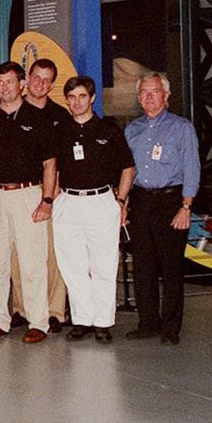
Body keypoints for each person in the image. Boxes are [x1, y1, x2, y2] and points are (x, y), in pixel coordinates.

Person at [51, 76, 136, 343]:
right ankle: (82, 320)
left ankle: (102, 322)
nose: (77, 102)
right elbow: (53, 167)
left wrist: (120, 201)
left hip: (101, 202)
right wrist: (53, 199)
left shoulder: (108, 130)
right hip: (69, 202)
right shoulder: (61, 131)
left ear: (92, 98)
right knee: (72, 266)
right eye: (72, 97)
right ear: (67, 100)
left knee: (103, 265)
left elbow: (128, 168)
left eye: (82, 96)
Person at [0, 61, 57, 345]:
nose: (4, 87)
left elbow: (50, 164)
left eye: (10, 82)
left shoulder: (38, 119)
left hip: (27, 194)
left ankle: (38, 321)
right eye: (0, 82)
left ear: (21, 84)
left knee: (32, 261)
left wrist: (46, 200)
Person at [124, 73, 200, 345]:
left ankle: (170, 327)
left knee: (171, 268)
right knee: (142, 266)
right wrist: (124, 202)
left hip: (171, 202)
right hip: (140, 201)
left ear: (166, 95)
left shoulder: (182, 128)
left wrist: (186, 206)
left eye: (154, 91)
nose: (149, 97)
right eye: (144, 92)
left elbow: (192, 168)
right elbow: (127, 171)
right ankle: (148, 323)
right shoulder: (132, 130)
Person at [14, 58, 71, 333]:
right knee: (17, 253)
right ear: (27, 77)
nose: (40, 83)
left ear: (52, 84)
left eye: (47, 79)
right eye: (37, 77)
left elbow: (64, 158)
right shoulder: (12, 109)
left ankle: (54, 311)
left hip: (50, 191)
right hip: (17, 191)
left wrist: (53, 192)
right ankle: (21, 308)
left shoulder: (60, 116)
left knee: (52, 252)